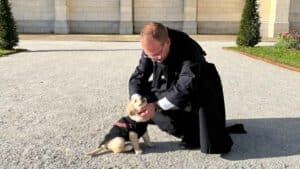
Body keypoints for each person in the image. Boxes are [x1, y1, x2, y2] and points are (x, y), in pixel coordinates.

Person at [128, 22, 240, 153]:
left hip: (198, 85)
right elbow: (139, 75)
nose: (153, 60)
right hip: (174, 83)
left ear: (167, 42)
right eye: (149, 55)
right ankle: (171, 122)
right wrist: (136, 99)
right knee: (144, 96)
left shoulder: (188, 49)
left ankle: (193, 132)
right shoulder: (152, 47)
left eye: (156, 55)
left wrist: (156, 106)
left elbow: (185, 87)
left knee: (205, 132)